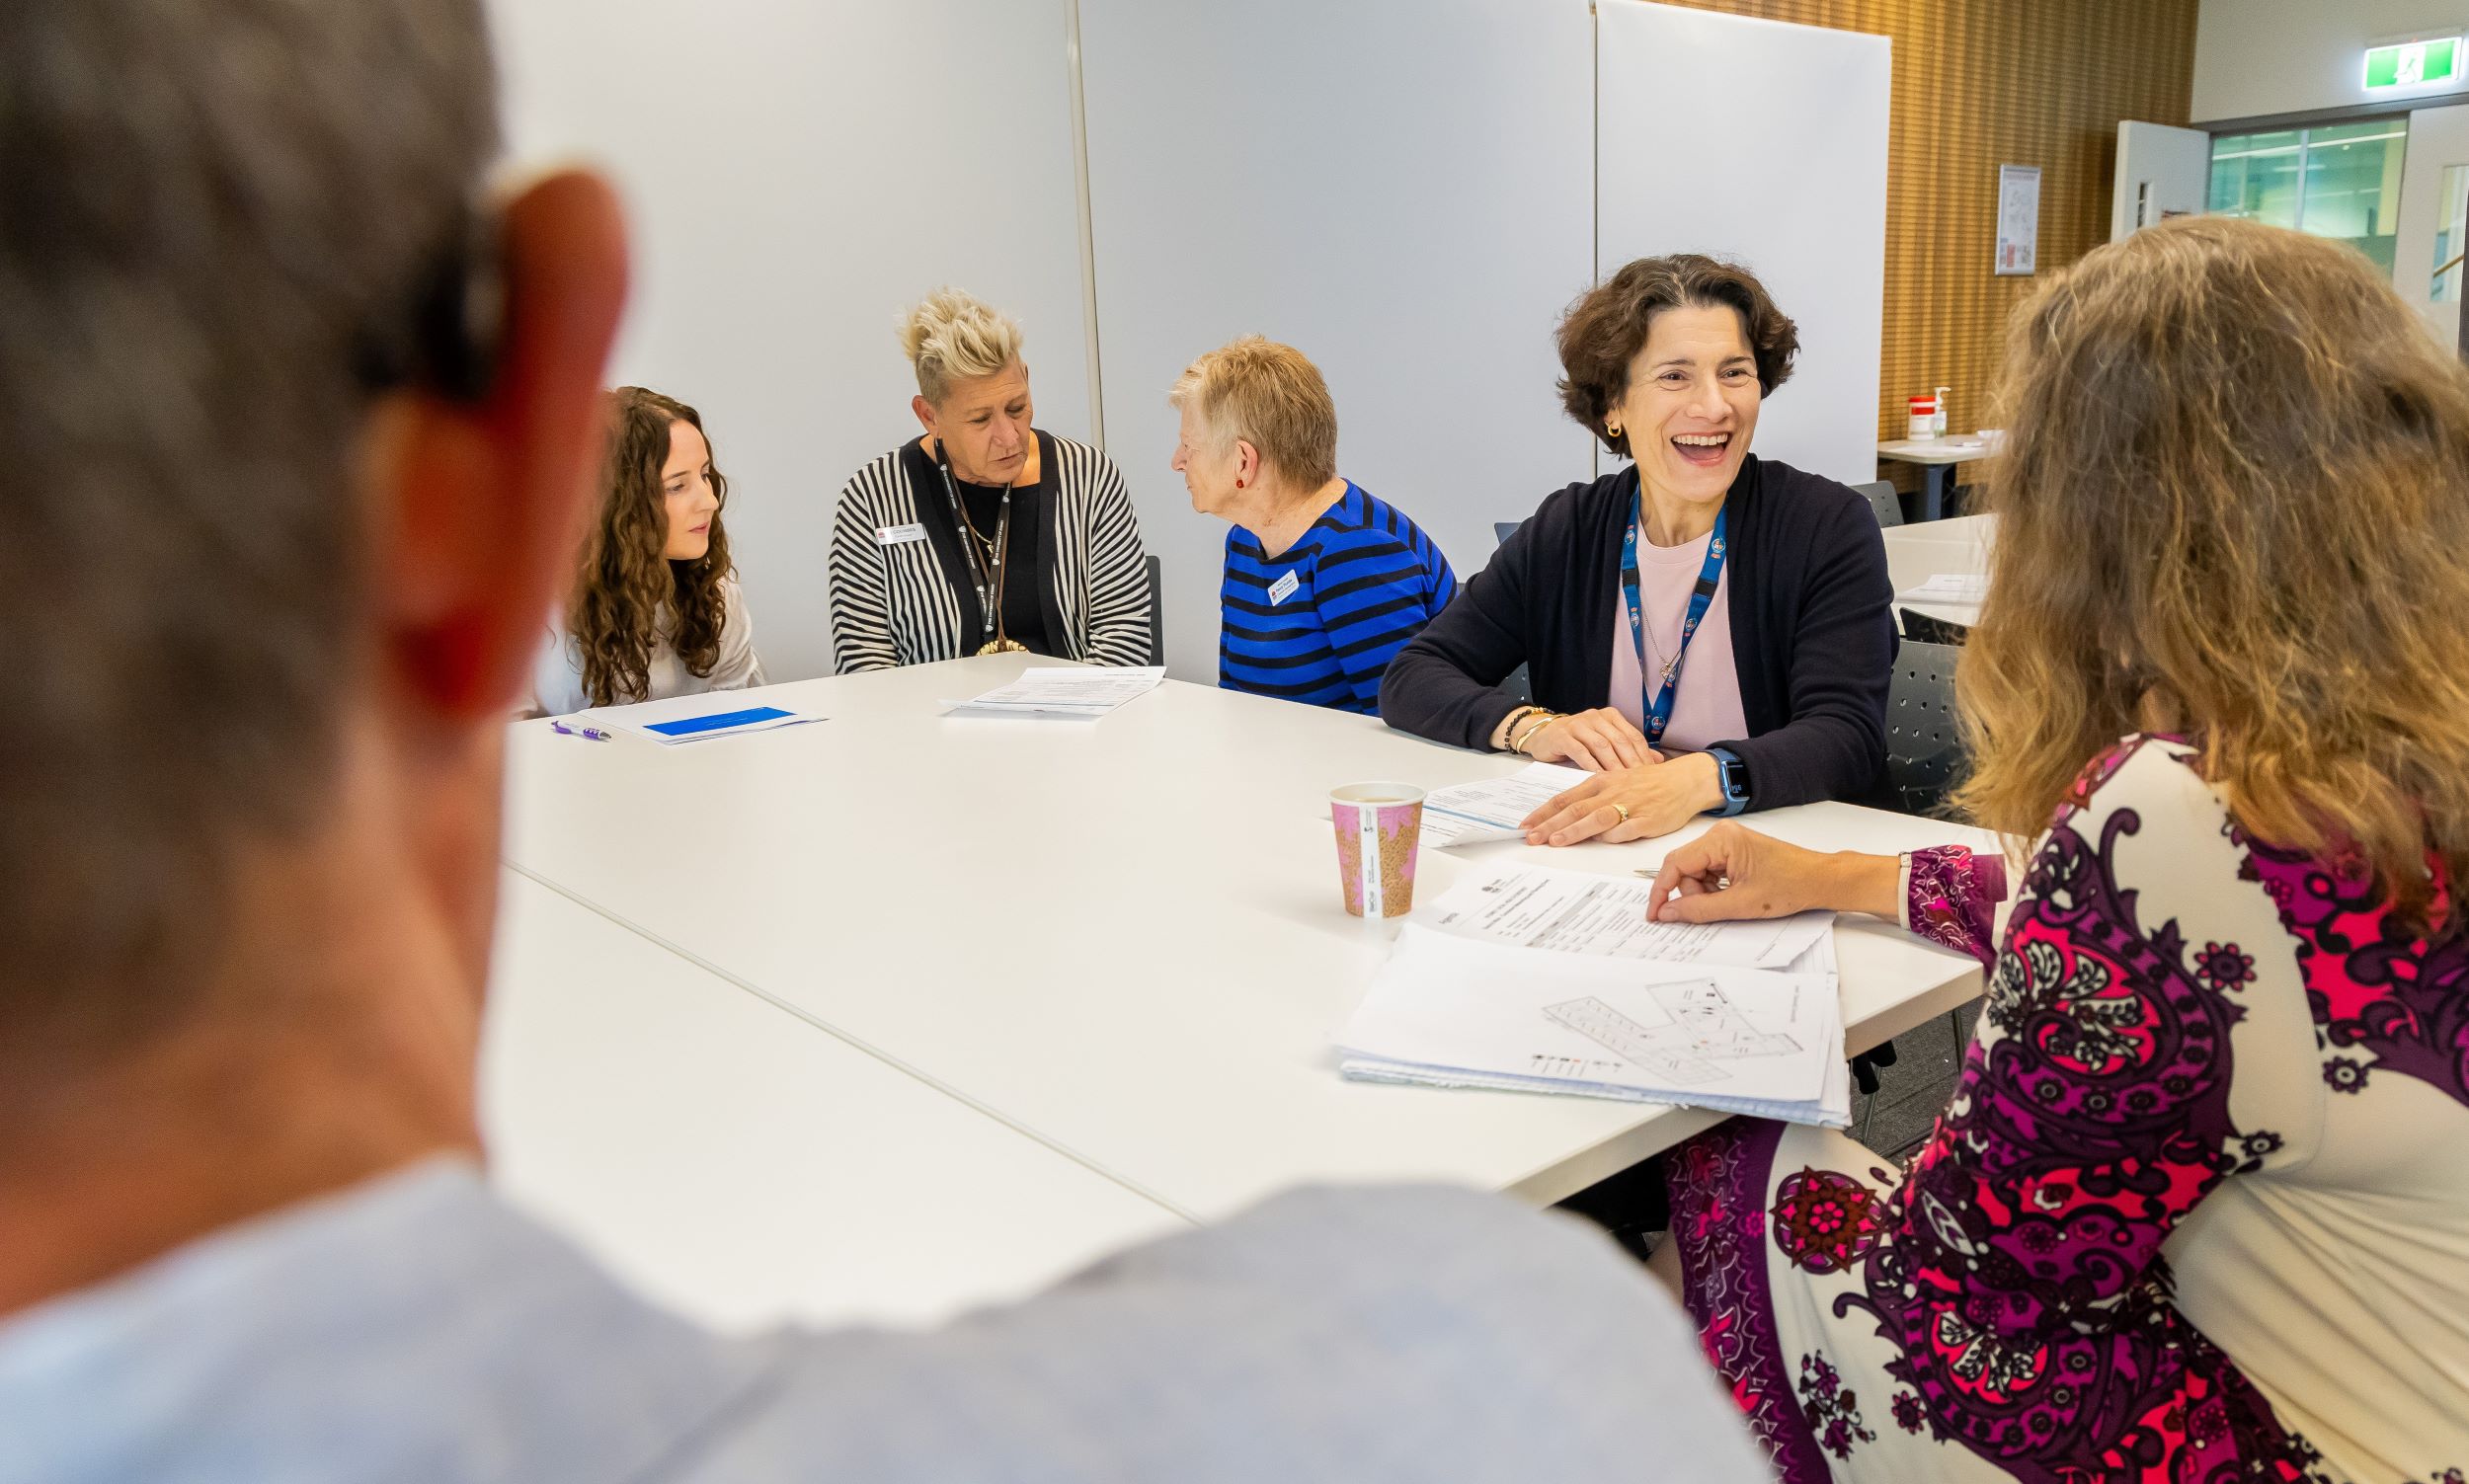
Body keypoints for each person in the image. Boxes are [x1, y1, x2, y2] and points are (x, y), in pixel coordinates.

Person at [0, 5, 1775, 1480]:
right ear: (553, 456)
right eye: (986, 410)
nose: (1040, 435)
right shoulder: (1500, 1376)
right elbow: (882, 660)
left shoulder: (1139, 503)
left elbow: (1139, 653)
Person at [1635, 218, 2469, 1480]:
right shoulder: (2391, 740)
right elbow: (2180, 945)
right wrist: (1829, 879)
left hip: (2323, 1438)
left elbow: (1968, 1297)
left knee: (1731, 1159)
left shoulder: (2180, 812)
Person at [1380, 255, 1893, 846]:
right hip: (1606, 853)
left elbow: (1845, 735)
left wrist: (1699, 779)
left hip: (1780, 851)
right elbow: (1413, 676)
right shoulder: (1568, 529)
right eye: (1675, 376)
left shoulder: (1824, 526)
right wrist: (1530, 727)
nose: (1715, 406)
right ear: (1613, 407)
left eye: (1735, 372)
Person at [828, 289, 1152, 671]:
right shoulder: (873, 498)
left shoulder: (1088, 476)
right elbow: (864, 669)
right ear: (929, 416)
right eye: (980, 420)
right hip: (925, 728)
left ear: (1027, 378)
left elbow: (1125, 647)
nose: (1009, 436)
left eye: (1017, 407)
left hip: (1079, 723)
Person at [1171, 336, 1456, 714]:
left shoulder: (1357, 551)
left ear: (1243, 463)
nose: (1177, 461)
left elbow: (1403, 725)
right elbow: (1236, 695)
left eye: (1189, 447)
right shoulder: (1244, 538)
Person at [532, 386, 764, 715]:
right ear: (615, 503)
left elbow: (743, 719)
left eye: (705, 475)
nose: (711, 501)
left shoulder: (715, 590)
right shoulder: (533, 604)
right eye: (677, 486)